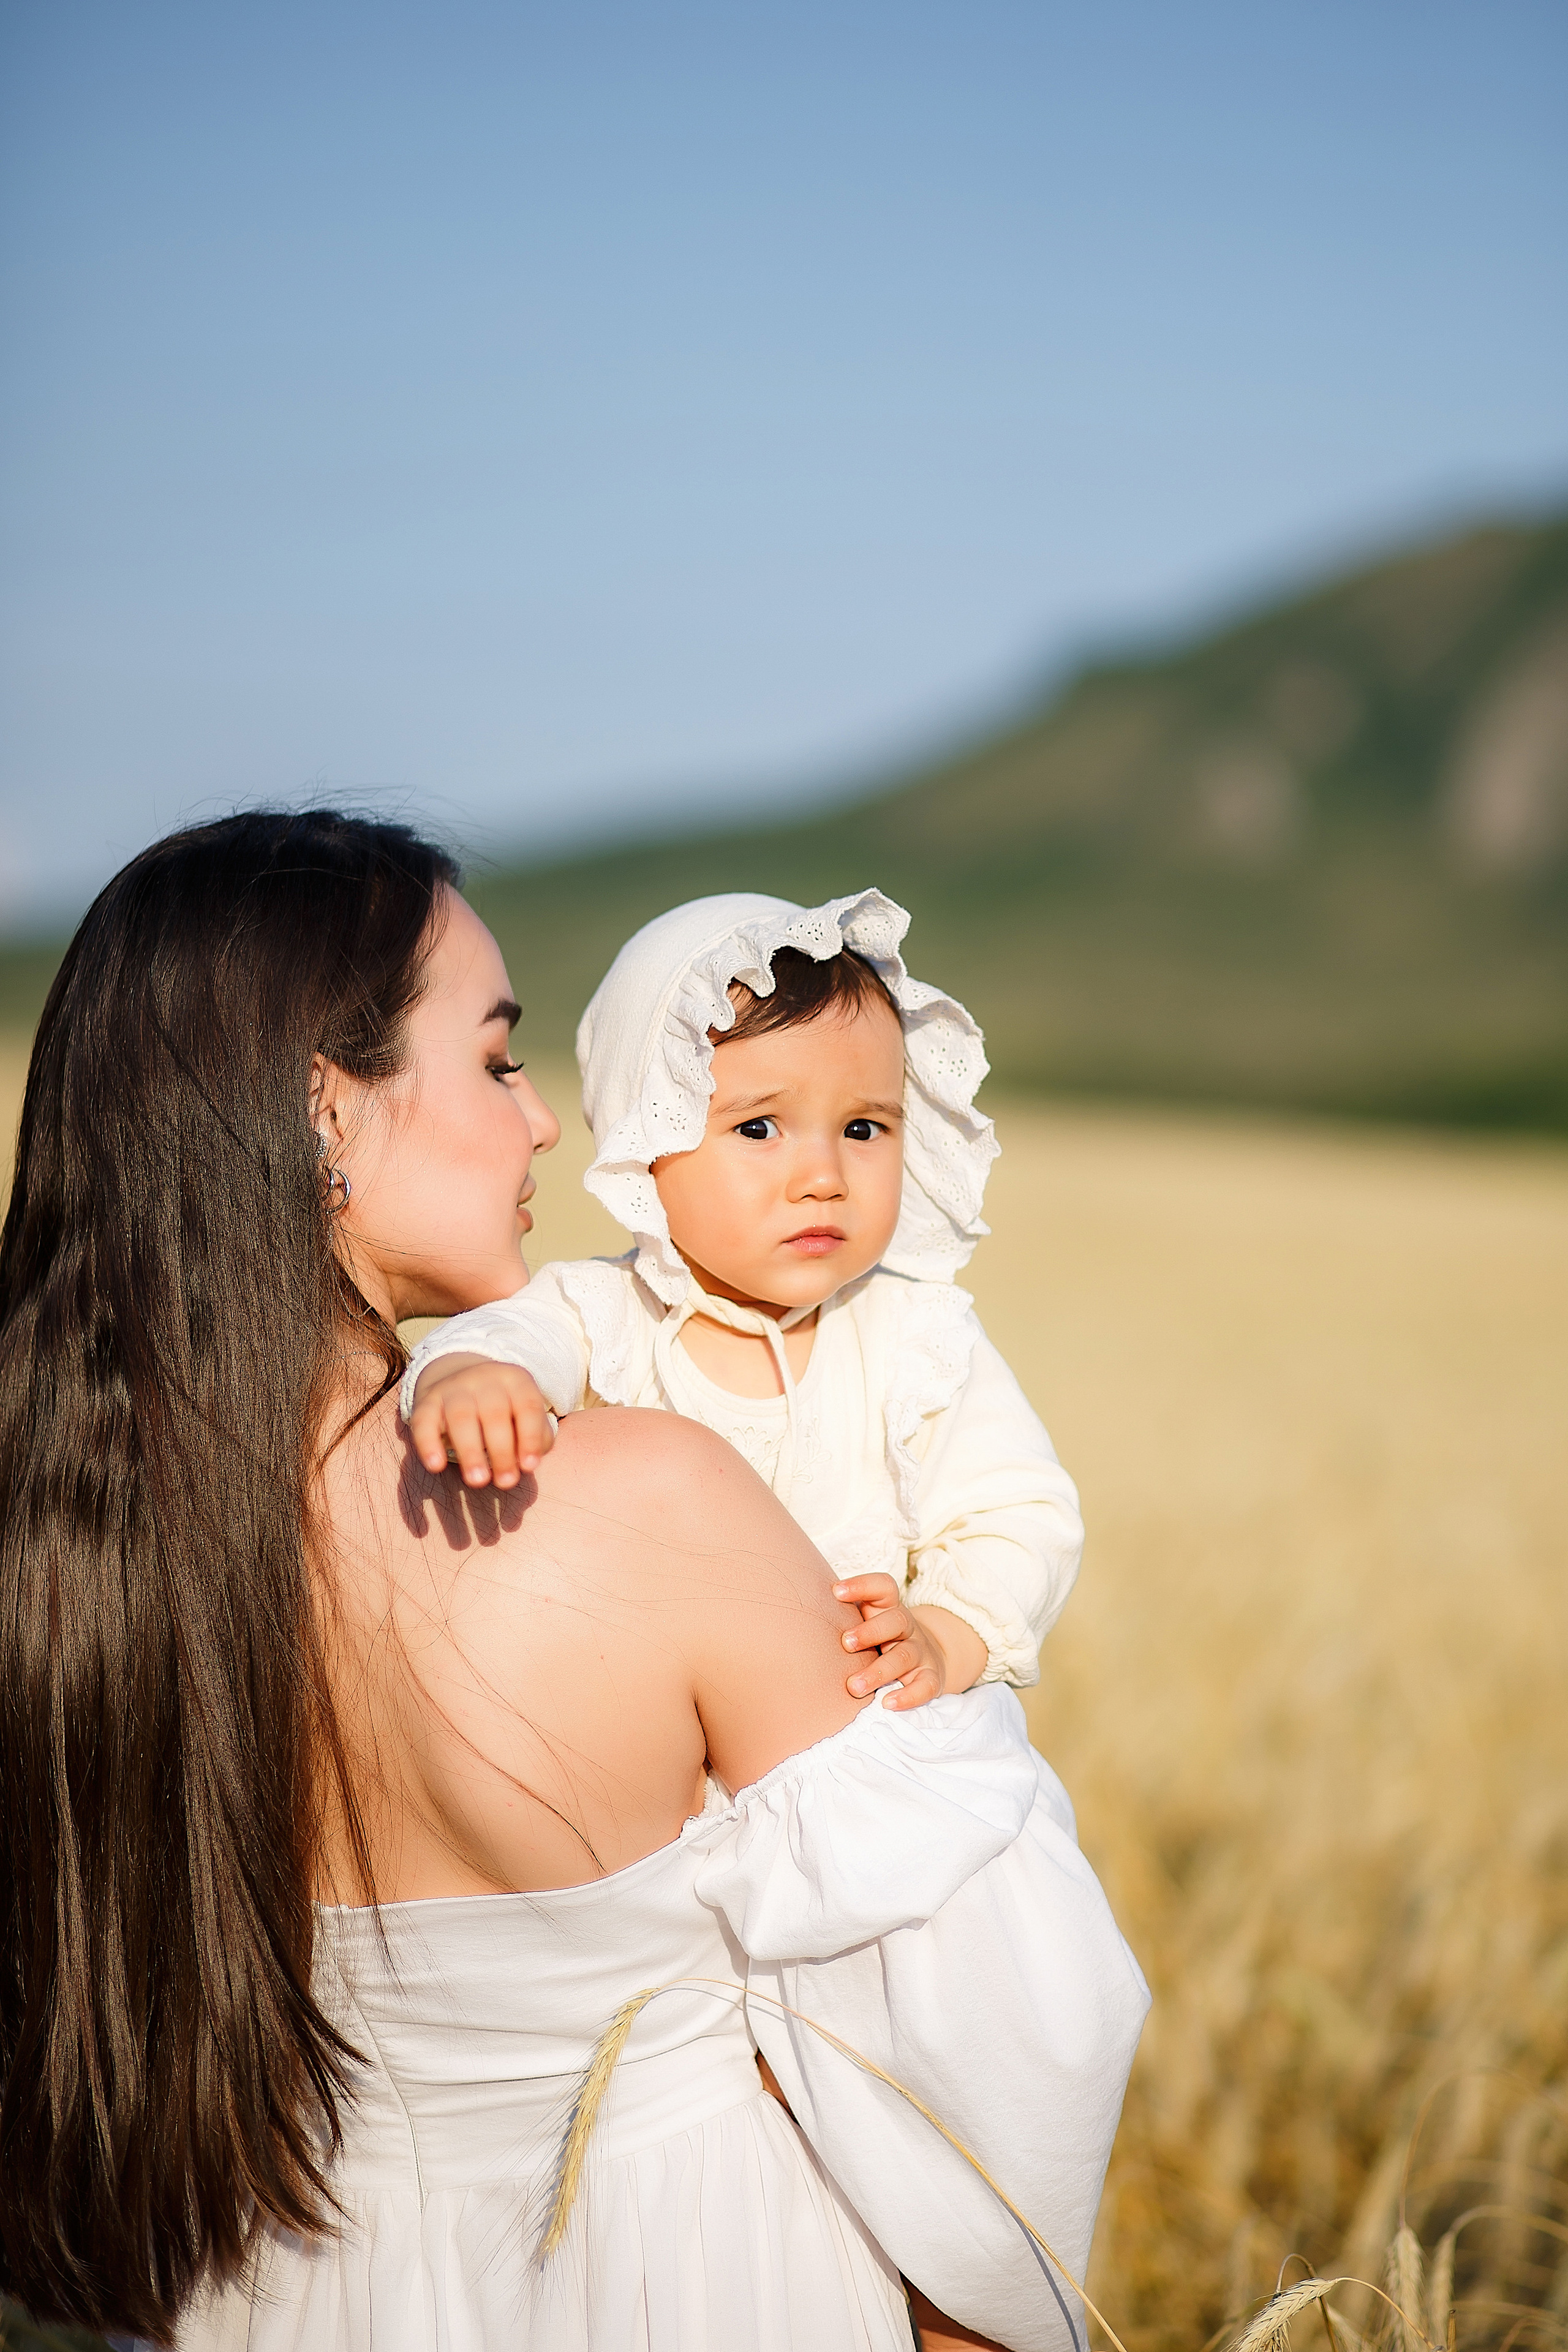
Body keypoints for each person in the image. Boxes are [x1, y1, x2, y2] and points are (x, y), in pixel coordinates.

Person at [0, 812, 1148, 2352]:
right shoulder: (651, 1502)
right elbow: (1016, 2036)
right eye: (493, 1058)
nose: (546, 1125)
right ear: (320, 1111)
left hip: (251, 2293)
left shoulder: (69, 1549)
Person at [404, 891, 1082, 1713]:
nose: (824, 1179)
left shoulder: (917, 1340)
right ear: (646, 1141)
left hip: (885, 1752)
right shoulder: (607, 1312)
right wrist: (475, 1369)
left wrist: (945, 1632)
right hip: (681, 1794)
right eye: (760, 1130)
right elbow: (516, 1336)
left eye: (864, 1130)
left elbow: (1020, 1512)